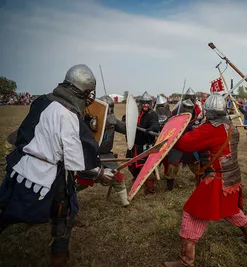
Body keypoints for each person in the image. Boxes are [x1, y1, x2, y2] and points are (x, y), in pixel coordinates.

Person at [0, 64, 114, 267]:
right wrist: (99, 173)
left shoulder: (42, 101)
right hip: (44, 176)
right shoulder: (67, 115)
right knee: (64, 214)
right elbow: (74, 161)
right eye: (89, 93)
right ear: (83, 91)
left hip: (19, 169)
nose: (89, 98)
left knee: (5, 210)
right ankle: (59, 260)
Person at [164, 94, 247, 267]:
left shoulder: (211, 129)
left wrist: (171, 132)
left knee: (193, 214)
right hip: (232, 177)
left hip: (216, 179)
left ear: (208, 112)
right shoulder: (230, 125)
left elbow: (185, 144)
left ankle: (186, 260)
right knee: (230, 209)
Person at [76, 95, 129, 206]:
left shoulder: (113, 120)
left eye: (109, 109)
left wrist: (129, 123)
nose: (108, 112)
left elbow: (125, 129)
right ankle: (67, 196)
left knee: (117, 177)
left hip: (107, 155)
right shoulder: (89, 119)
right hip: (91, 155)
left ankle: (125, 202)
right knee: (83, 181)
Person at [125, 91, 160, 194]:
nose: (145, 105)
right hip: (135, 143)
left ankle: (150, 189)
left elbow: (156, 125)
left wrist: (150, 129)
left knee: (145, 167)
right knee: (131, 164)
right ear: (140, 104)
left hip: (145, 143)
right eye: (143, 103)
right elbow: (131, 119)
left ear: (150, 104)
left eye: (147, 103)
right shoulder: (138, 112)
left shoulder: (152, 114)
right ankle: (137, 178)